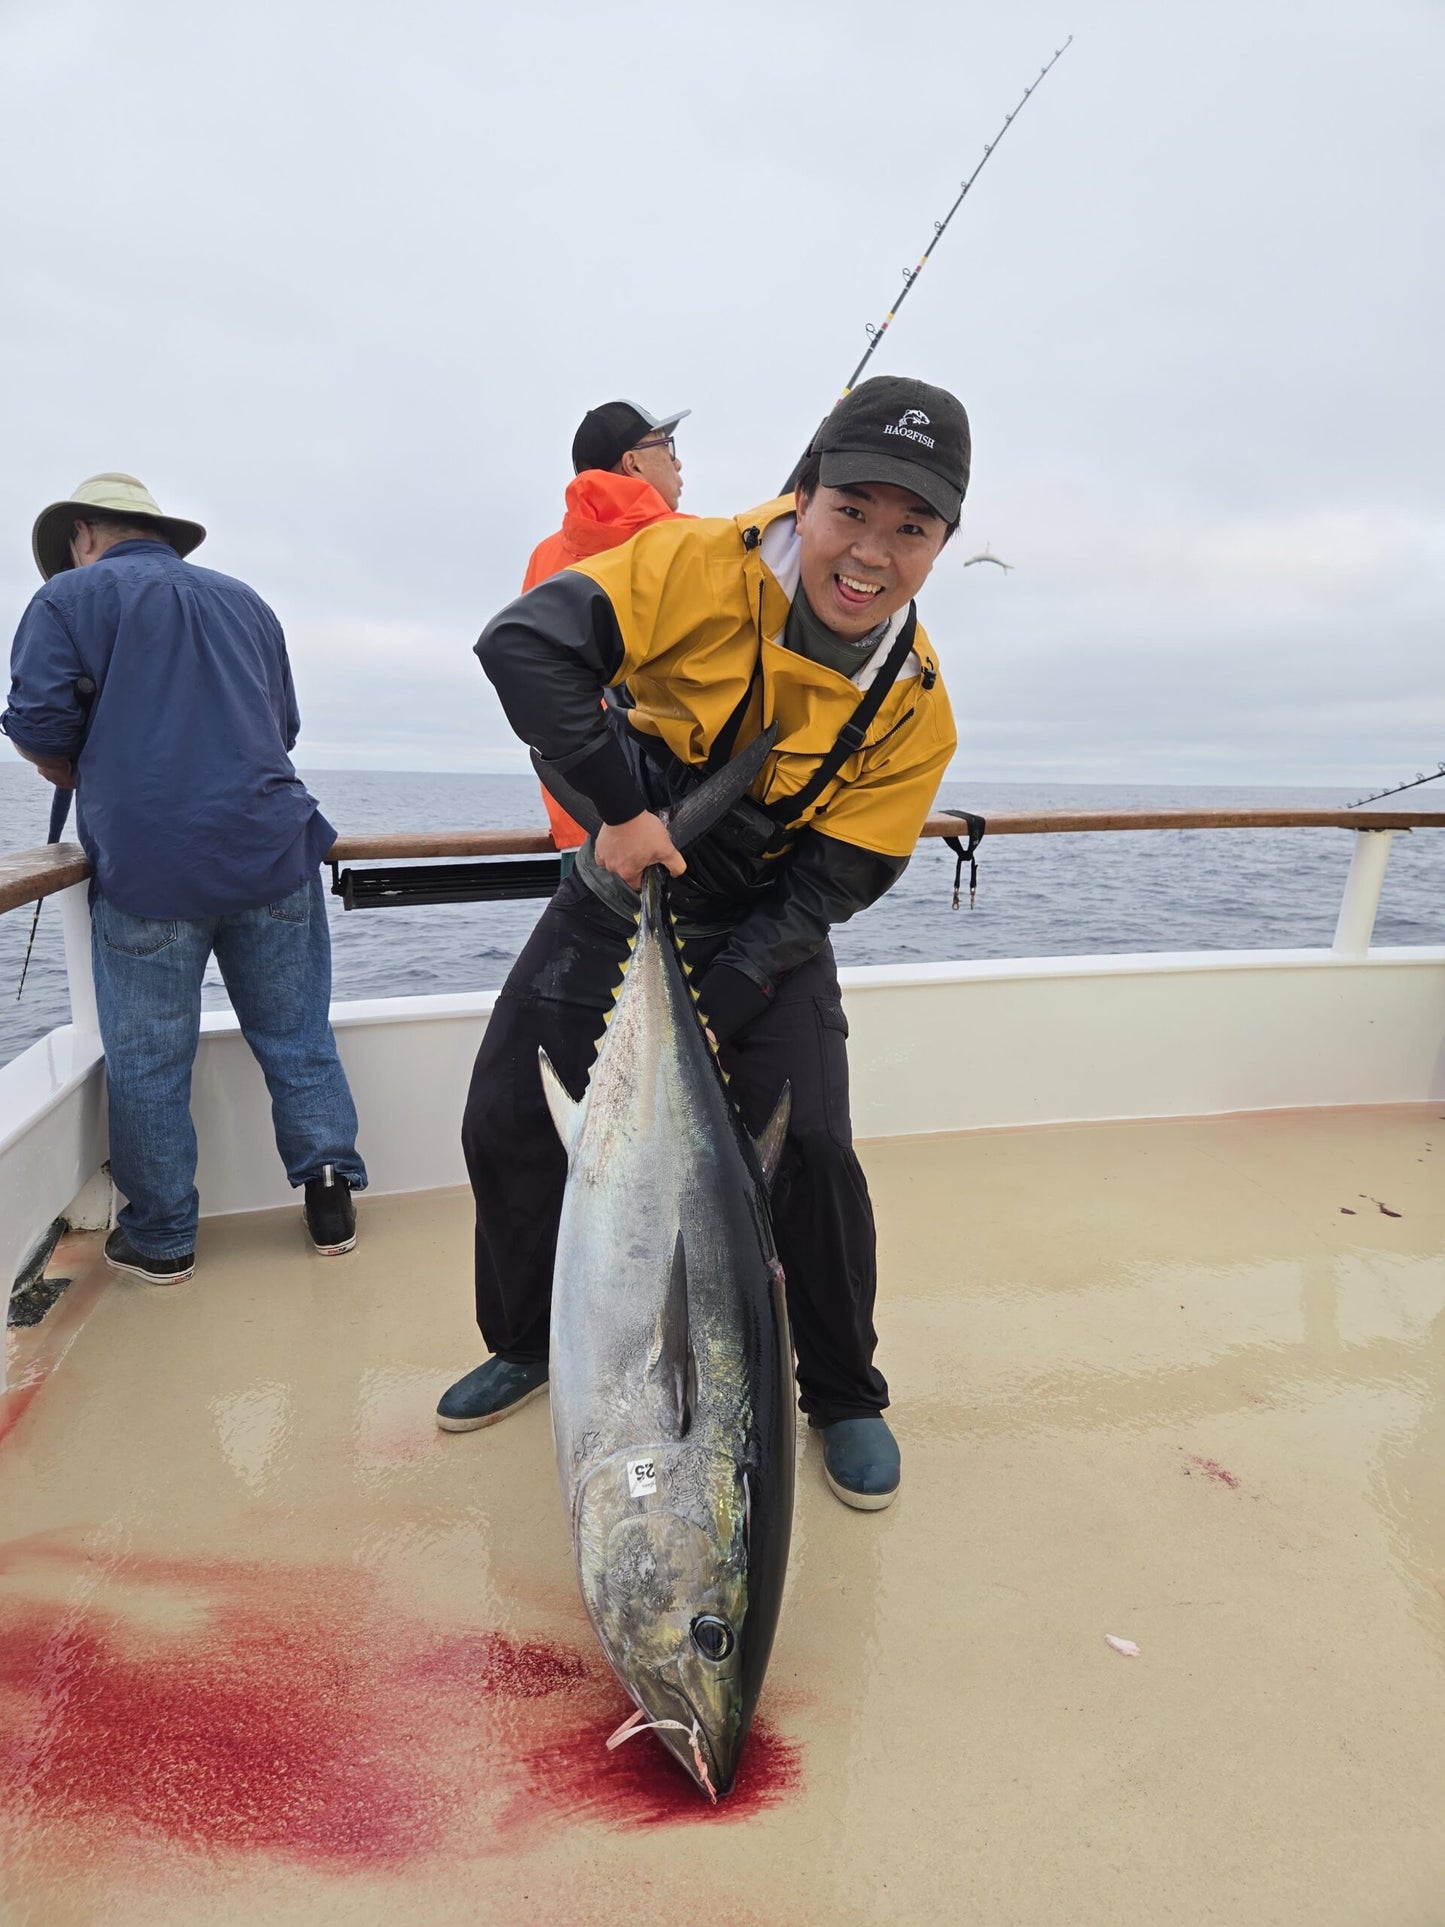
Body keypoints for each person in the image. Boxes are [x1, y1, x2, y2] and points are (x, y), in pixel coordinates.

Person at [438, 375, 968, 1511]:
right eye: (851, 512)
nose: (870, 552)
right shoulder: (692, 564)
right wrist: (623, 817)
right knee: (506, 1115)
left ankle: (840, 1391)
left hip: (765, 915)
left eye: (910, 528)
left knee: (812, 1146)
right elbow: (525, 648)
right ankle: (533, 1339)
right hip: (625, 876)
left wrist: (728, 986)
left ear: (941, 543)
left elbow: (843, 872)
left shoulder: (915, 705)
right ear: (803, 495)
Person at [2, 472, 367, 1283]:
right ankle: (331, 1201)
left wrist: (85, 767)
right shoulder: (246, 600)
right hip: (273, 851)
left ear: (83, 533)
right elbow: (283, 728)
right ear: (158, 532)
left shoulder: (66, 600)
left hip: (148, 868)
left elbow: (37, 725)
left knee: (149, 1060)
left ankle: (163, 1241)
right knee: (298, 1038)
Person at [523, 400, 689, 850]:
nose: (678, 461)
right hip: (685, 818)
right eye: (666, 446)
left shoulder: (546, 558)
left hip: (590, 822)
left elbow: (540, 689)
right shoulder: (693, 544)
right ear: (632, 462)